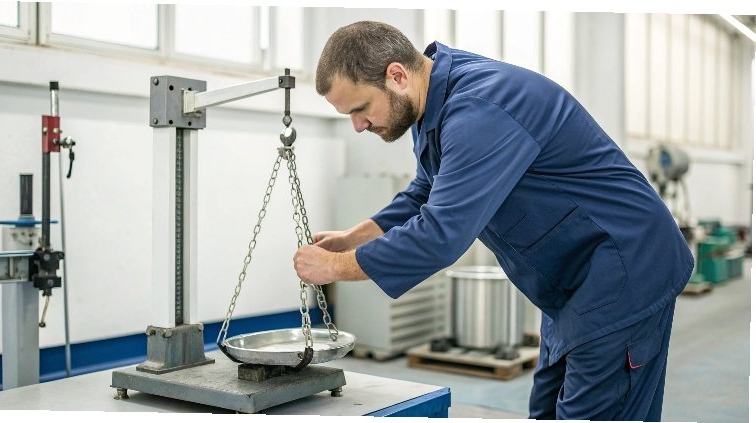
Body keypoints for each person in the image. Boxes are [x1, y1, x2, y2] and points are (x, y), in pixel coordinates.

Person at [293, 21, 693, 421]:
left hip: (626, 269)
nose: (358, 126)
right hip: (574, 279)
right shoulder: (431, 101)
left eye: (361, 109)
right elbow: (427, 191)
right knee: (548, 408)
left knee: (593, 410)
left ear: (396, 75)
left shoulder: (479, 110)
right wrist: (352, 238)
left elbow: (440, 235)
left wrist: (334, 268)